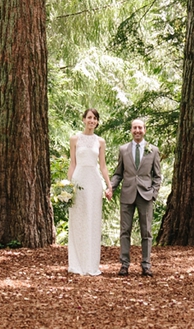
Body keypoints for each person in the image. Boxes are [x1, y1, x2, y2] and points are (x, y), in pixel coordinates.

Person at [110, 118, 162, 277]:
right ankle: (124, 265)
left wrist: (154, 193)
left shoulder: (153, 150)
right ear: (131, 130)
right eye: (134, 128)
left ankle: (146, 265)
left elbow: (157, 176)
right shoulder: (123, 149)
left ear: (144, 130)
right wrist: (110, 187)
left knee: (146, 233)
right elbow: (118, 173)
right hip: (127, 194)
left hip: (146, 196)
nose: (137, 130)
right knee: (125, 231)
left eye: (140, 128)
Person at [67, 108, 113, 275]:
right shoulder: (74, 139)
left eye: (95, 118)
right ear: (84, 119)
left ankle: (91, 264)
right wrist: (66, 185)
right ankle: (77, 263)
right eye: (89, 117)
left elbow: (103, 165)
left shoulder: (100, 141)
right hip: (79, 179)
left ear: (97, 122)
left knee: (92, 221)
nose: (92, 121)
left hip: (94, 182)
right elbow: (72, 163)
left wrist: (109, 186)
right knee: (78, 219)